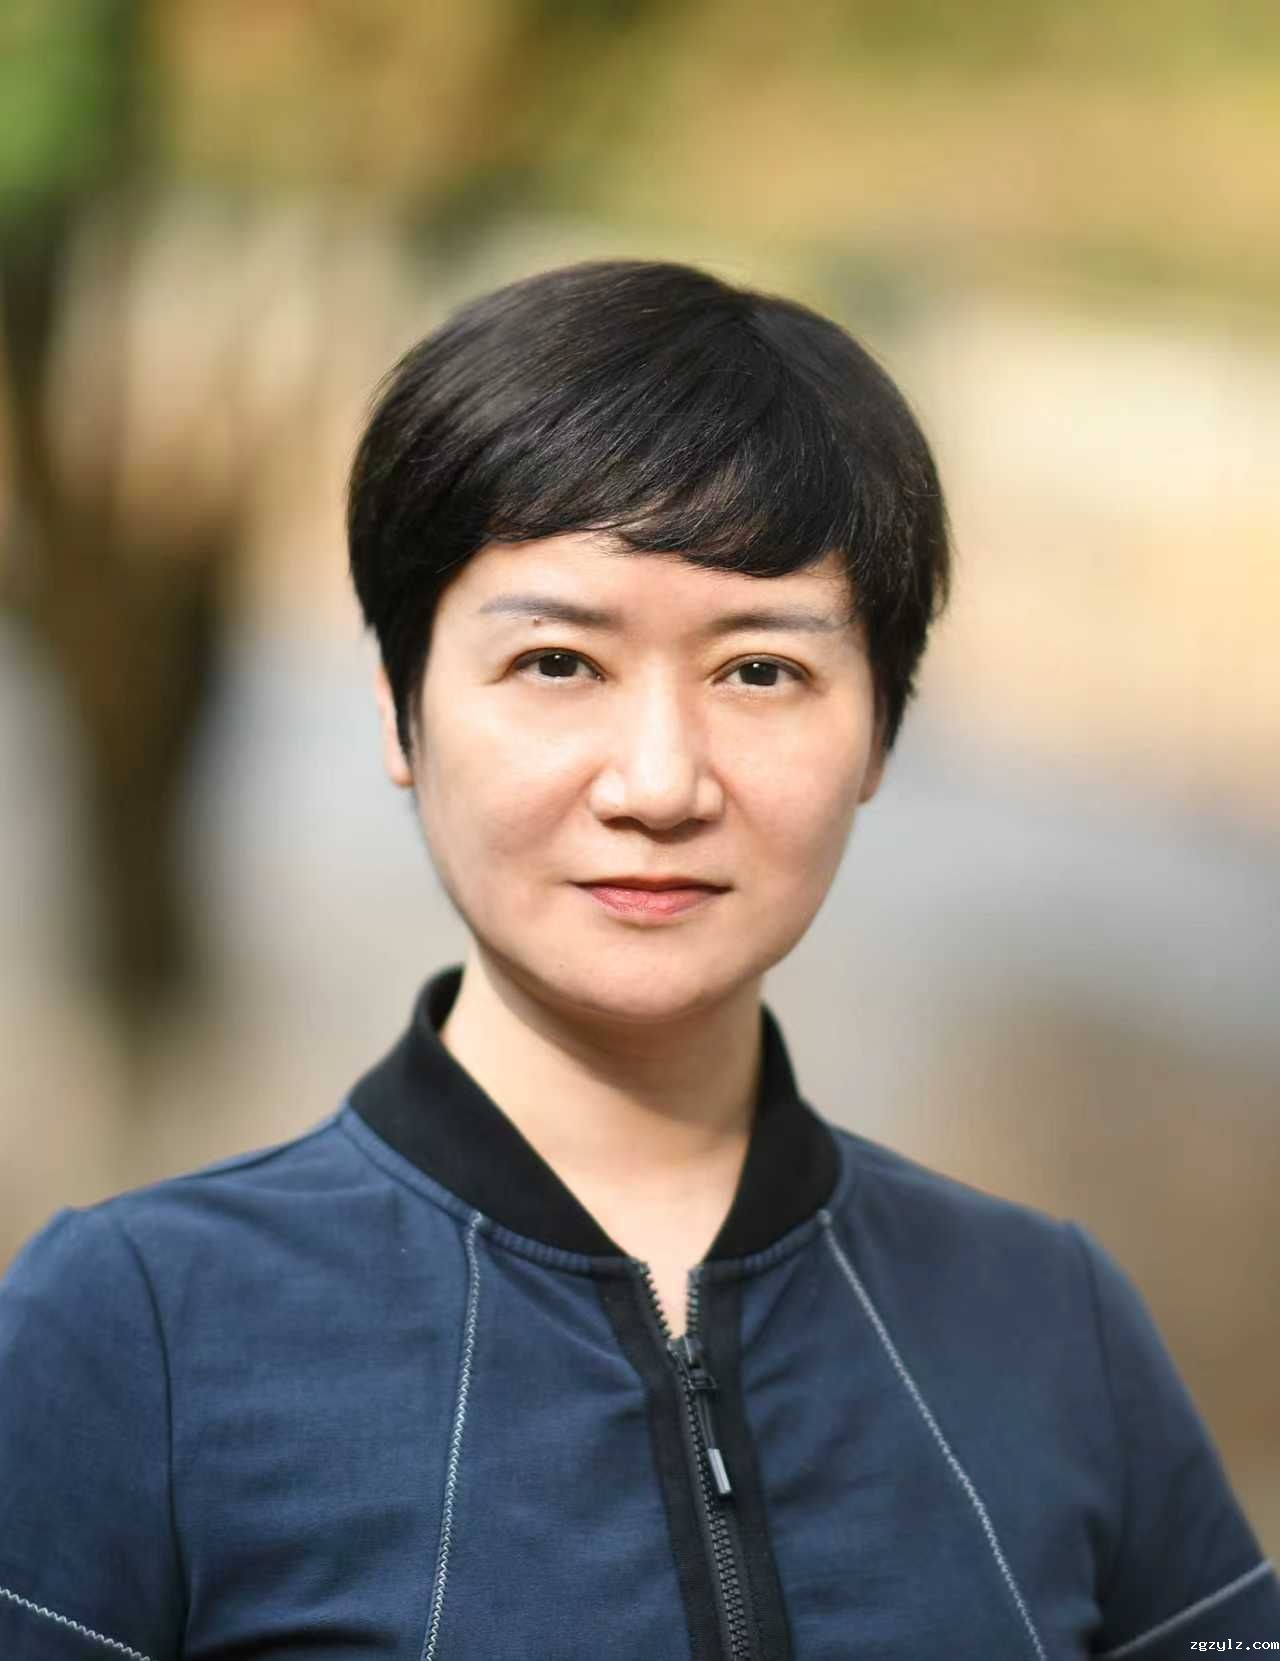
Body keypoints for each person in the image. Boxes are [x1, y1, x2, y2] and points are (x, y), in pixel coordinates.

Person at [0, 259, 1275, 1661]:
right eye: (558, 662)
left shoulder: (1050, 1325)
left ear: (881, 733)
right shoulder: (136, 1328)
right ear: (400, 708)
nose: (660, 783)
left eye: (760, 671)